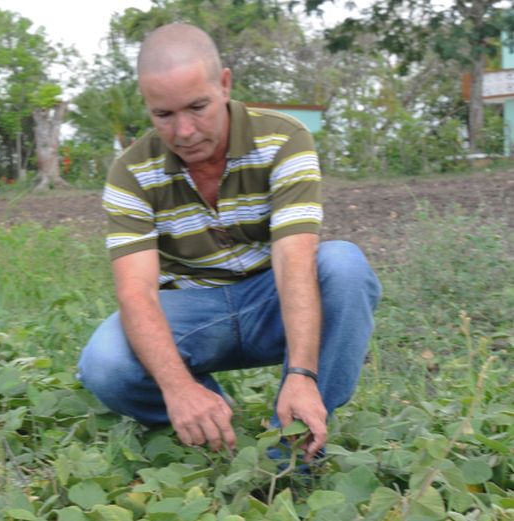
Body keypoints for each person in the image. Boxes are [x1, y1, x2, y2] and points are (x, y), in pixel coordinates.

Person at [77, 23, 381, 463]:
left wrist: (300, 372)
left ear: (224, 85)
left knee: (344, 266)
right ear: (147, 106)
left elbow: (294, 258)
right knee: (104, 363)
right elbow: (135, 291)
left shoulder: (283, 138)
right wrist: (179, 388)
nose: (184, 131)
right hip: (194, 310)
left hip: (269, 299)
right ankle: (210, 418)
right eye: (163, 115)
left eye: (198, 107)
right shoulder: (131, 172)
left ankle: (295, 443)